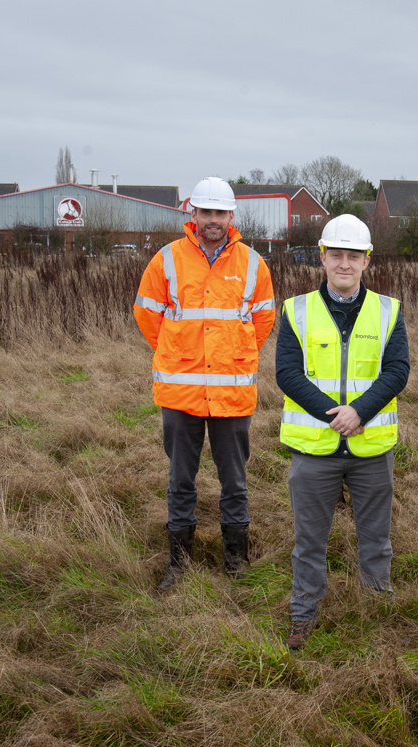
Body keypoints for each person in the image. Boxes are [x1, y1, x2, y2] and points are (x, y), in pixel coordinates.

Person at [275, 214, 410, 651]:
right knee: (308, 541)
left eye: (354, 256)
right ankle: (303, 615)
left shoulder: (388, 311)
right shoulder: (296, 310)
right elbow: (287, 374)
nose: (345, 264)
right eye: (337, 255)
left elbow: (397, 371)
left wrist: (360, 413)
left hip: (371, 448)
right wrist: (336, 415)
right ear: (323, 257)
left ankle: (377, 611)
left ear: (367, 260)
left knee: (376, 539)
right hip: (314, 448)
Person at [133, 177, 275, 590]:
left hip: (232, 393)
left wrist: (234, 354)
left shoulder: (252, 263)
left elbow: (263, 320)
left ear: (232, 216)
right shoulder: (167, 260)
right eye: (205, 212)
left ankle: (236, 560)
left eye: (220, 213)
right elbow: (147, 315)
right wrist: (178, 352)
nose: (212, 220)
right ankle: (177, 564)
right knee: (181, 479)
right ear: (191, 214)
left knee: (235, 481)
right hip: (181, 392)